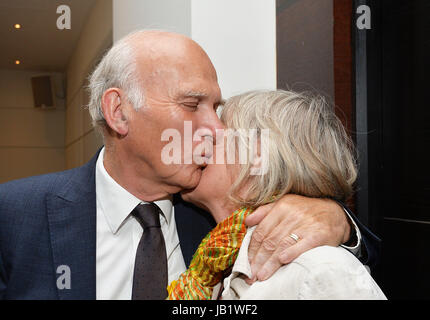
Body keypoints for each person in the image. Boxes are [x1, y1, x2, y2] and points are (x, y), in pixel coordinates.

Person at [0, 31, 378, 300]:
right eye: (191, 104)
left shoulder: (221, 225)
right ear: (118, 112)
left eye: (216, 109)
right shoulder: (15, 214)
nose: (215, 128)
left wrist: (340, 220)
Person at [169, 90, 386, 300]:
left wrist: (341, 219)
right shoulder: (217, 257)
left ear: (257, 156)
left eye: (218, 137)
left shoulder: (321, 269)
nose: (199, 143)